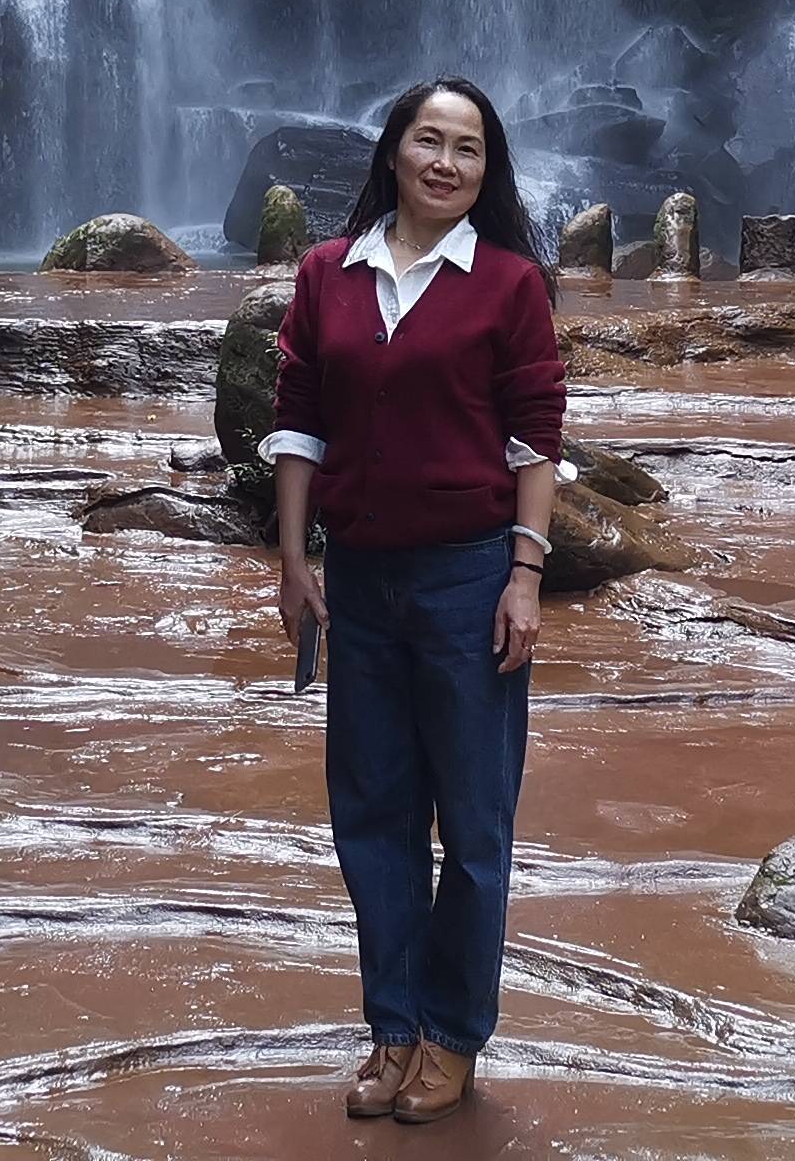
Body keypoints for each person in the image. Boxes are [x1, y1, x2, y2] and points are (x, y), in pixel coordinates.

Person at [263, 76, 565, 1125]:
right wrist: (294, 561)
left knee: (472, 823)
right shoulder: (324, 275)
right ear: (391, 151)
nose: (445, 162)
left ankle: (452, 1036)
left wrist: (525, 575)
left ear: (488, 172)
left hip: (468, 577)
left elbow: (535, 440)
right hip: (359, 575)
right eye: (427, 141)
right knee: (370, 816)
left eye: (467, 149)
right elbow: (298, 420)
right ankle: (391, 1028)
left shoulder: (508, 285)